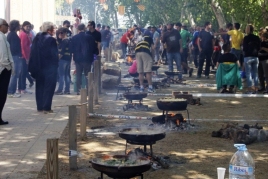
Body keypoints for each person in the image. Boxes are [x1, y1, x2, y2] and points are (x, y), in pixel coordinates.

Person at [28, 21, 58, 114]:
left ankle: (40, 107)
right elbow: (54, 55)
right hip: (49, 67)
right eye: (53, 29)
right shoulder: (51, 40)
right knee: (49, 87)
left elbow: (32, 52)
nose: (54, 31)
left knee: (39, 86)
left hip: (38, 66)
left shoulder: (36, 38)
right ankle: (47, 107)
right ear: (49, 30)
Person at [70, 23, 97, 95]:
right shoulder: (90, 37)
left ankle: (79, 90)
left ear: (78, 29)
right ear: (85, 29)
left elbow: (71, 49)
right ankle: (88, 89)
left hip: (78, 59)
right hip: (88, 58)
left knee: (78, 74)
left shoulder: (74, 38)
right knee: (88, 75)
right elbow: (94, 48)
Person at [0, 18, 14, 125]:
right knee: (2, 94)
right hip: (3, 69)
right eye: (6, 25)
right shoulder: (1, 37)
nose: (7, 27)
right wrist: (8, 66)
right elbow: (3, 55)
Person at [243, 24, 261, 94]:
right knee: (256, 73)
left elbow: (244, 48)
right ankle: (256, 88)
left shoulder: (246, 38)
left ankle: (250, 89)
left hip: (248, 56)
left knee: (248, 73)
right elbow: (259, 47)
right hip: (255, 57)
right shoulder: (257, 37)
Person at [7, 20, 22, 98]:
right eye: (19, 25)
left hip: (14, 56)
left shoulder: (12, 34)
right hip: (15, 56)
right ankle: (11, 91)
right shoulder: (13, 35)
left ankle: (11, 91)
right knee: (14, 74)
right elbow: (13, 47)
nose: (20, 26)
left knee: (14, 74)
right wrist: (19, 54)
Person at [54, 28, 71, 95]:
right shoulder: (69, 40)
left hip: (63, 60)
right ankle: (67, 90)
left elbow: (62, 52)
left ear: (65, 33)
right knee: (66, 75)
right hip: (68, 59)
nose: (60, 34)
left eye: (61, 33)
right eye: (59, 33)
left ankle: (60, 89)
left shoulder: (64, 41)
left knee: (61, 75)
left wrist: (57, 59)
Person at [19, 21, 34, 94]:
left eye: (29, 26)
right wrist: (26, 57)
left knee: (22, 72)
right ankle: (23, 88)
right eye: (27, 26)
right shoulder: (24, 34)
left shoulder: (27, 34)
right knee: (24, 72)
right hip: (24, 56)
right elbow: (24, 47)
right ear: (23, 26)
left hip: (25, 55)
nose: (28, 28)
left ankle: (21, 88)